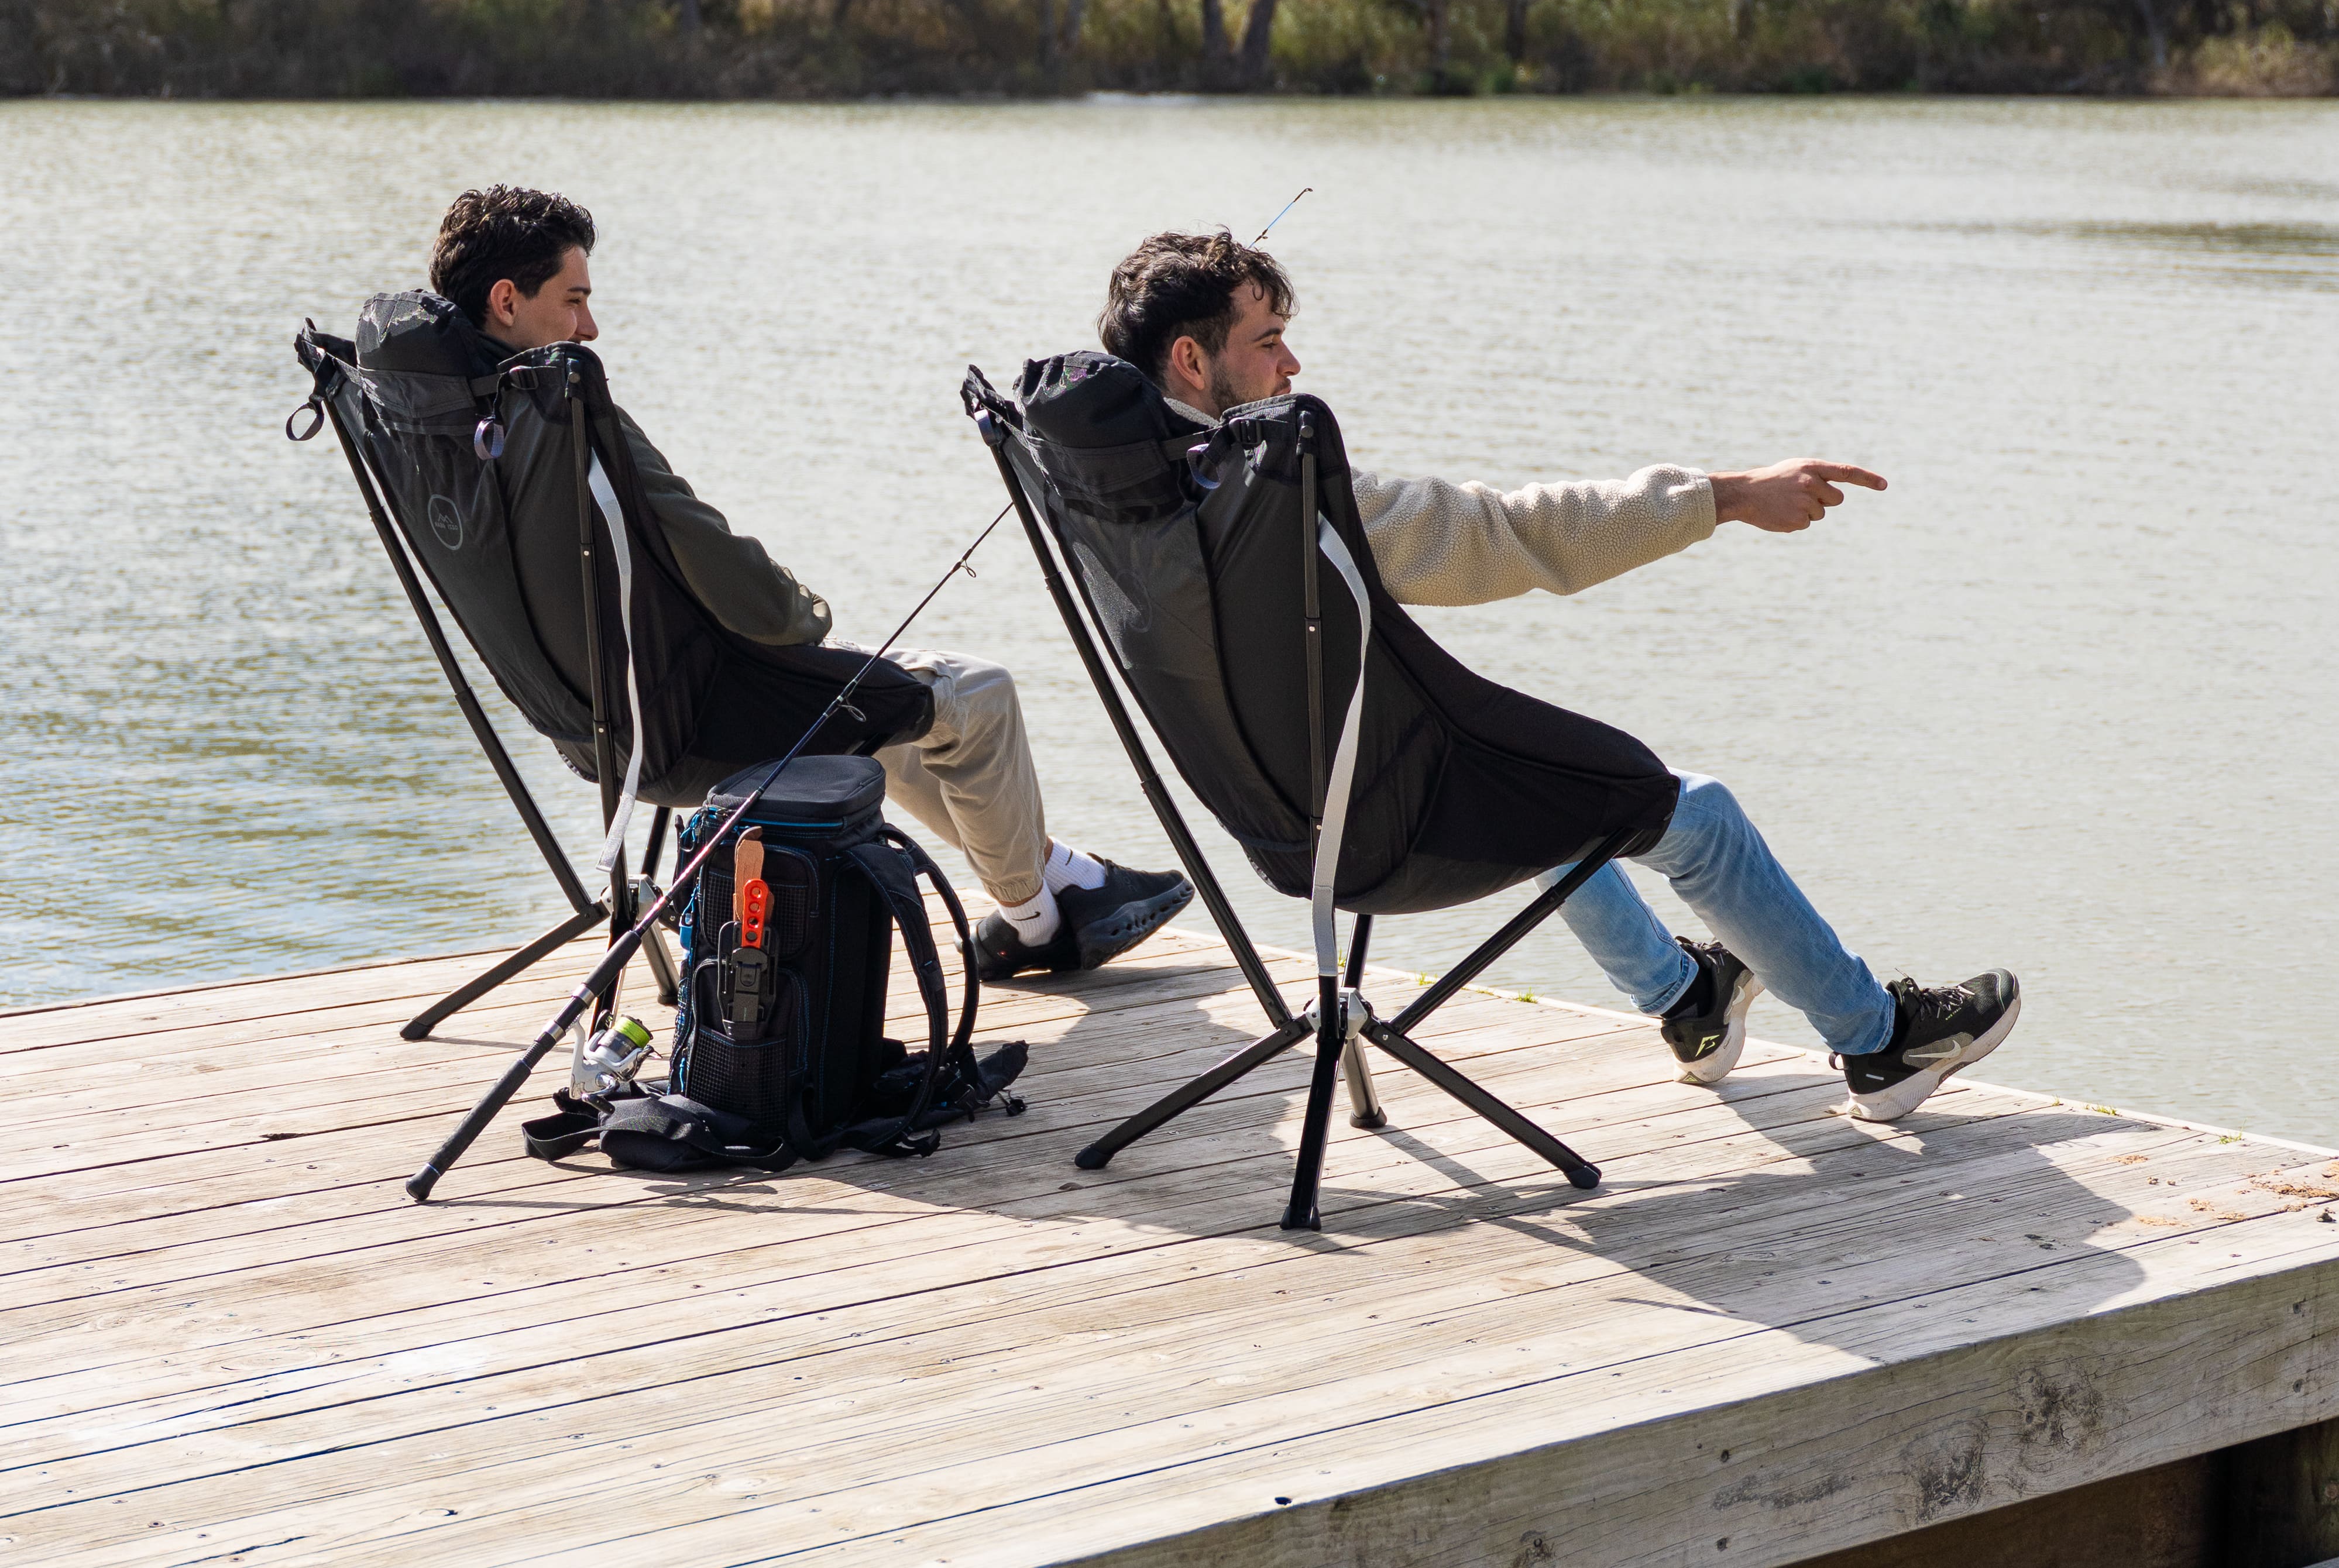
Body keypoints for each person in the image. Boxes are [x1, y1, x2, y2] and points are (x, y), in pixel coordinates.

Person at [1095, 228, 2018, 1124]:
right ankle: (1877, 1037)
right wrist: (1726, 496)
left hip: (1279, 831)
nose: (1290, 365)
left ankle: (1683, 994)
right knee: (1697, 816)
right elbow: (1511, 534)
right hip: (1383, 833)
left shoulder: (1115, 490)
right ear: (1188, 358)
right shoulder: (1273, 493)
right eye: (1266, 342)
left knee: (1522, 775)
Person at [427, 184, 1193, 984]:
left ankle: (1061, 875)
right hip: (689, 732)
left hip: (589, 734)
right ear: (507, 300)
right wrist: (802, 618)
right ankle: (1036, 921)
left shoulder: (442, 429)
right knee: (976, 695)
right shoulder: (564, 414)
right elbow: (710, 551)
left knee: (878, 706)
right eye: (574, 300)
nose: (589, 327)